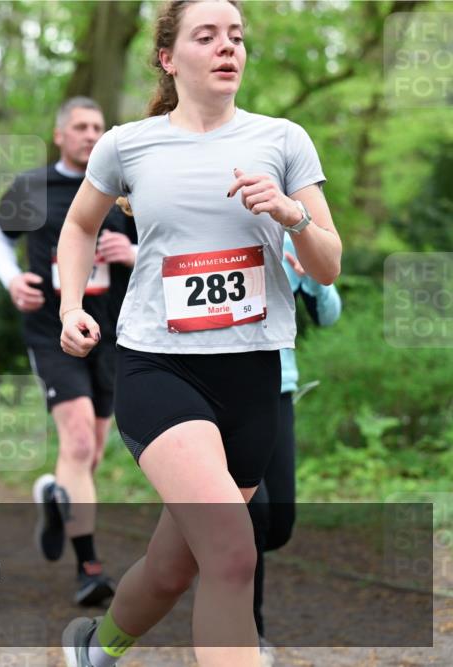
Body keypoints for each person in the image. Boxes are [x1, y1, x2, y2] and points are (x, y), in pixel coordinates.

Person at [55, 2, 342, 666]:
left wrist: (292, 214)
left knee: (173, 565)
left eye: (235, 36)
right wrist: (70, 305)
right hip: (160, 367)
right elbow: (79, 225)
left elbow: (328, 265)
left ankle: (96, 648)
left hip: (253, 374)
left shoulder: (284, 140)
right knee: (233, 552)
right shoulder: (128, 144)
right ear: (168, 57)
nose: (226, 47)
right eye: (206, 36)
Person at [0, 96, 137, 607]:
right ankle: (89, 567)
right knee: (75, 442)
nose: (90, 135)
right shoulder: (32, 187)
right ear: (59, 135)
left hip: (112, 334)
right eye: (80, 127)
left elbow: (163, 247)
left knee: (89, 452)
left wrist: (131, 252)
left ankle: (56, 496)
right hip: (52, 331)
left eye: (97, 127)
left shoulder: (122, 189)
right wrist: (13, 280)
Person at [248, 234, 342, 667]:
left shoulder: (290, 233)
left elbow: (329, 316)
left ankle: (208, 552)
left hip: (277, 387)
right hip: (217, 389)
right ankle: (249, 632)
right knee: (252, 515)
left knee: (279, 523)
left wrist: (315, 280)